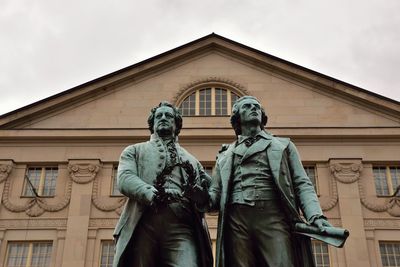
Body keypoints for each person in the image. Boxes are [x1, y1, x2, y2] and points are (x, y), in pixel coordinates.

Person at [209, 96, 332, 267]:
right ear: (237, 117)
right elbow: (213, 198)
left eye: (257, 106)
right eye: (247, 107)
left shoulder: (283, 145)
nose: (254, 108)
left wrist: (315, 215)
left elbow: (302, 183)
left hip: (272, 217)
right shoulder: (224, 155)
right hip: (236, 222)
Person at [113, 101, 212, 267]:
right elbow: (124, 178)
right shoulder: (135, 150)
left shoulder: (193, 161)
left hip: (182, 226)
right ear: (152, 124)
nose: (163, 118)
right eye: (159, 116)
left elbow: (210, 196)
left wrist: (201, 196)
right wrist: (150, 193)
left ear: (176, 123)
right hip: (145, 222)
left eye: (169, 115)